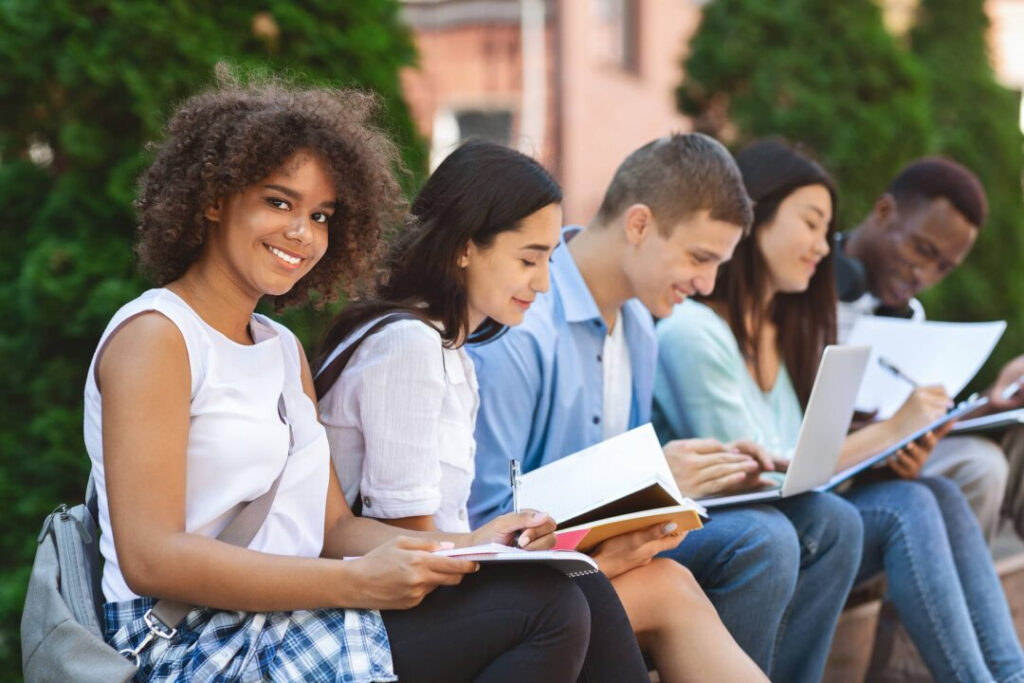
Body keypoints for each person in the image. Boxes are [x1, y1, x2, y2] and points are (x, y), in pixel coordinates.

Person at [86, 78, 608, 682]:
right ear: (214, 200)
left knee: (568, 588)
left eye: (320, 216)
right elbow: (151, 559)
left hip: (281, 618)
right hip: (190, 643)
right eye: (278, 203)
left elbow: (335, 527)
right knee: (545, 610)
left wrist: (478, 546)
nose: (302, 233)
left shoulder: (279, 348)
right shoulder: (157, 336)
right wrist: (354, 583)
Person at [314, 139, 764, 682]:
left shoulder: (452, 352)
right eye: (529, 259)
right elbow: (413, 552)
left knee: (604, 589)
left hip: (436, 590)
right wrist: (585, 559)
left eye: (549, 259)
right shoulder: (409, 345)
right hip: (381, 616)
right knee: (576, 598)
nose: (545, 282)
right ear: (464, 248)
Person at [467, 133, 862, 683]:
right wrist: (645, 476)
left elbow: (614, 501)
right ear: (639, 225)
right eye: (700, 258)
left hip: (601, 552)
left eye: (719, 264)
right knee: (763, 541)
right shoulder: (522, 323)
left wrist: (706, 474)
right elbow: (487, 522)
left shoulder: (639, 327)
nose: (707, 284)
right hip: (528, 580)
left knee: (829, 520)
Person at [655, 139, 1024, 682]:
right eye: (811, 224)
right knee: (900, 509)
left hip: (802, 518)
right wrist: (892, 430)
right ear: (753, 217)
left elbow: (798, 464)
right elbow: (763, 474)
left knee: (936, 494)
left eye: (825, 229)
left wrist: (900, 443)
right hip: (730, 531)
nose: (822, 246)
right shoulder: (692, 331)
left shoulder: (781, 332)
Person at [837, 157, 1024, 543]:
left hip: (871, 472)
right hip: (820, 471)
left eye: (944, 268)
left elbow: (906, 421)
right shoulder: (805, 283)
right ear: (884, 211)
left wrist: (991, 402)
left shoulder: (909, 318)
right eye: (922, 250)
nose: (925, 275)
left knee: (982, 464)